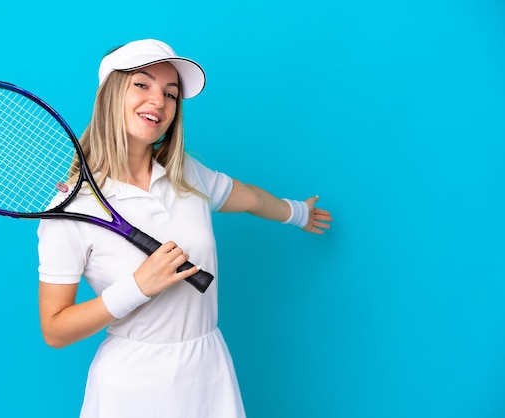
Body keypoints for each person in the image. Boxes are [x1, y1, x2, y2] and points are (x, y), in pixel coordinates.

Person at [37, 39, 332, 417]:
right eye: (141, 85)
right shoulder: (70, 209)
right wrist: (137, 287)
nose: (158, 102)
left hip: (209, 371)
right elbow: (55, 329)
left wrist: (298, 213)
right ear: (111, 94)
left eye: (171, 94)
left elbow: (252, 199)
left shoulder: (188, 175)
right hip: (131, 388)